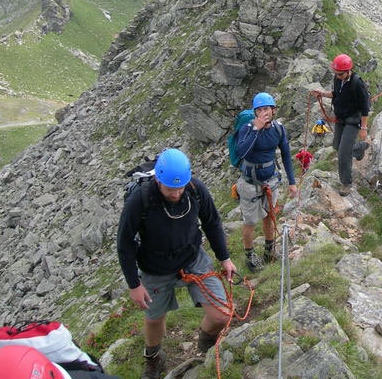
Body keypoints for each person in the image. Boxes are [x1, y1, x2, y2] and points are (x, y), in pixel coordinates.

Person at [117, 148, 237, 379]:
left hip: (192, 258)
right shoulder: (140, 200)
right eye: (171, 189)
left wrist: (225, 258)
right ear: (159, 180)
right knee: (154, 319)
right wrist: (134, 284)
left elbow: (211, 222)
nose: (177, 193)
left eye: (180, 187)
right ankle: (153, 357)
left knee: (222, 315)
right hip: (155, 266)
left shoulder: (195, 189)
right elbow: (125, 243)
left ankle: (205, 347)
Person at [234, 92, 297, 273]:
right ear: (255, 112)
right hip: (249, 183)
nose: (264, 113)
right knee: (250, 221)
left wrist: (292, 182)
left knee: (270, 216)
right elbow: (242, 152)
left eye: (266, 109)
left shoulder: (278, 129)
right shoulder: (247, 129)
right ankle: (250, 256)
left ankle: (269, 251)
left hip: (271, 181)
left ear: (273, 110)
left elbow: (285, 154)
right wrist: (257, 129)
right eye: (260, 110)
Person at [310, 54, 370, 196]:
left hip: (354, 121)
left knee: (343, 153)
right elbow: (336, 93)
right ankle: (360, 148)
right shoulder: (338, 79)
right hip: (341, 119)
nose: (337, 76)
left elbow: (365, 108)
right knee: (337, 146)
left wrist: (363, 128)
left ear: (348, 71)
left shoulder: (357, 83)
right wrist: (323, 94)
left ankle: (346, 183)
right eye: (335, 73)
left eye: (340, 73)